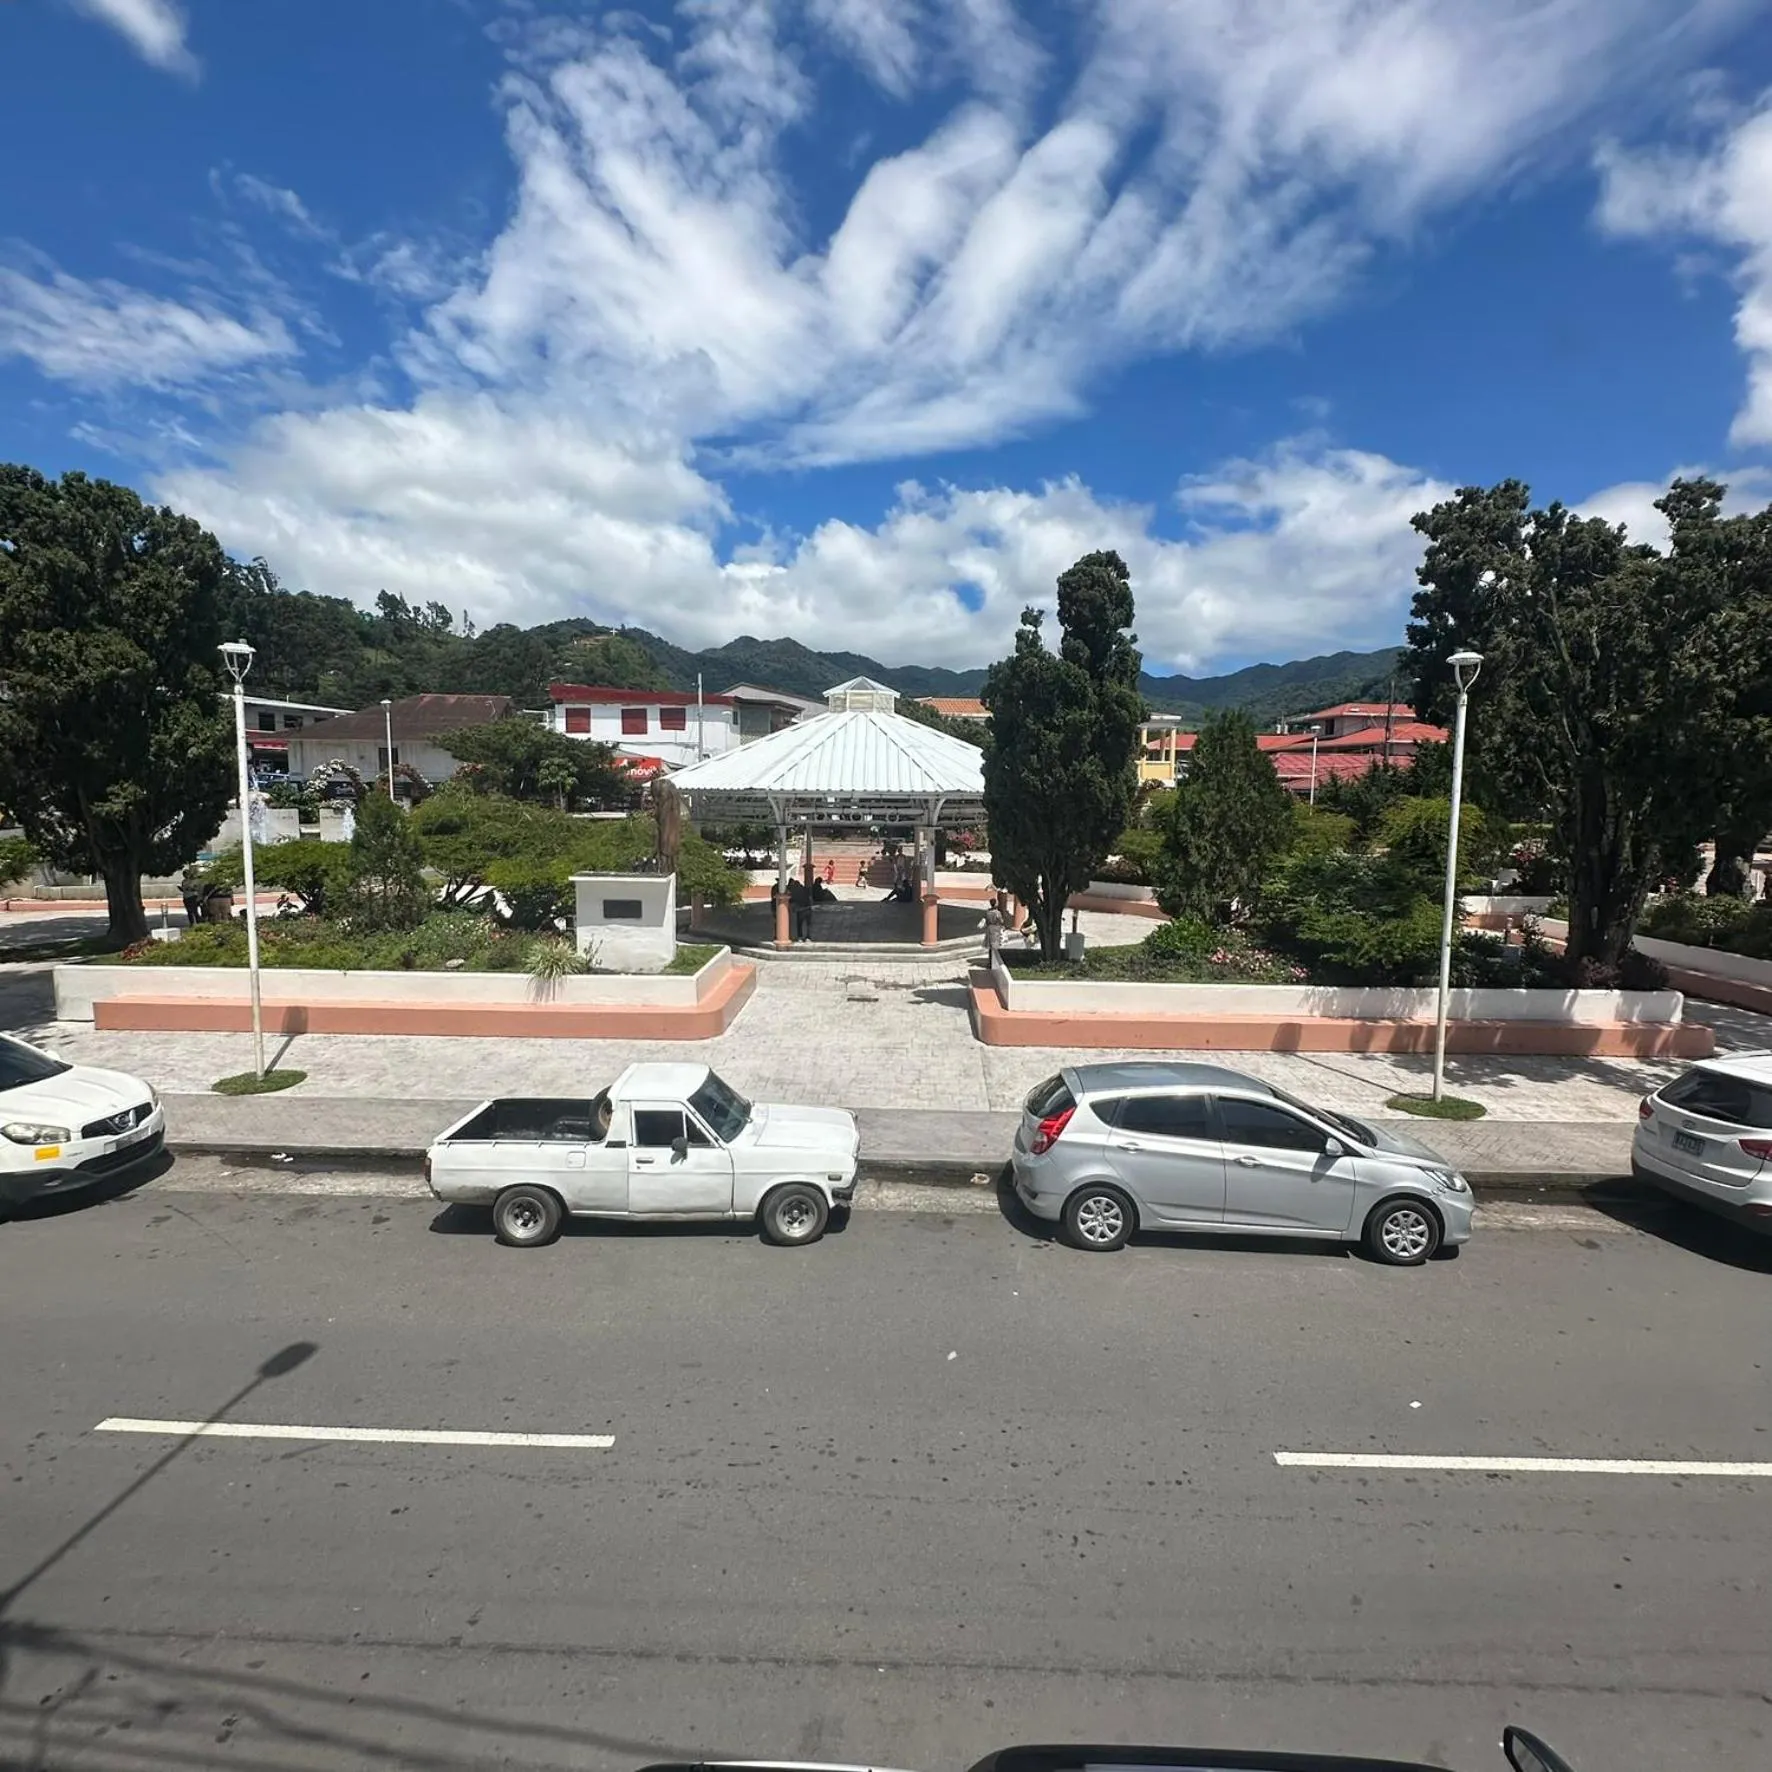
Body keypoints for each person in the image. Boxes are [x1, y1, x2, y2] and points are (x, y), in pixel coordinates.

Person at [788, 875, 813, 942]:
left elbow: (791, 901)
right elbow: (810, 898)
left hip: (800, 910)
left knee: (799, 924)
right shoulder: (805, 889)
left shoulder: (794, 892)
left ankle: (800, 937)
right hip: (808, 909)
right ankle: (808, 937)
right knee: (808, 924)